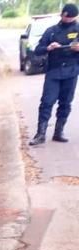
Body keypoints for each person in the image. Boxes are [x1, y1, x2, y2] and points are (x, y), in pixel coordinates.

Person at [29, 3, 79, 145]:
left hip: (71, 71)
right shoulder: (51, 31)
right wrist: (49, 47)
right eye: (66, 16)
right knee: (47, 102)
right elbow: (38, 50)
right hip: (54, 72)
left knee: (66, 103)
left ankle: (58, 132)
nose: (68, 19)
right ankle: (40, 134)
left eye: (71, 17)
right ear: (61, 15)